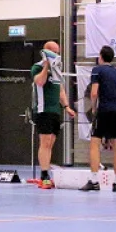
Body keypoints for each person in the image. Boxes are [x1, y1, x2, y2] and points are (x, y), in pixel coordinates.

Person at [81, 46, 116, 192]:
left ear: (101, 57)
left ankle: (94, 181)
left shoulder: (98, 70)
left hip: (104, 110)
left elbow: (94, 93)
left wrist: (94, 108)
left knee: (94, 144)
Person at [31, 42, 74, 189]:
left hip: (55, 111)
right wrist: (46, 66)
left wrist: (67, 106)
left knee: (51, 144)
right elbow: (40, 82)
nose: (56, 55)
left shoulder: (57, 71)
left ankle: (46, 173)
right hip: (44, 110)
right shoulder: (37, 67)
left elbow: (60, 90)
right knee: (45, 142)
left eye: (58, 52)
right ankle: (44, 175)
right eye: (53, 52)